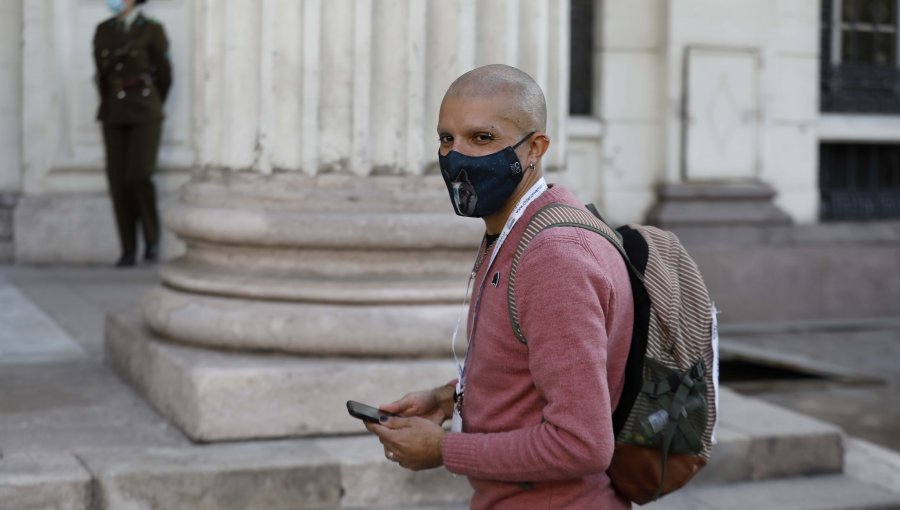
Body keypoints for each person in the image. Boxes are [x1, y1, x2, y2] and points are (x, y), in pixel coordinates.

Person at [364, 64, 635, 509]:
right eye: (446, 139)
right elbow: (536, 363)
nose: (457, 158)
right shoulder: (519, 229)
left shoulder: (553, 259)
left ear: (536, 148)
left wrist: (443, 449)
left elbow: (582, 444)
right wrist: (446, 399)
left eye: (482, 138)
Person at [93, 0, 171, 267]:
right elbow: (101, 76)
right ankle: (128, 248)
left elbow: (165, 74)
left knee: (139, 175)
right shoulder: (103, 30)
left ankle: (151, 240)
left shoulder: (152, 29)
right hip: (114, 111)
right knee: (118, 182)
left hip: (145, 111)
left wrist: (153, 102)